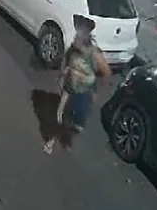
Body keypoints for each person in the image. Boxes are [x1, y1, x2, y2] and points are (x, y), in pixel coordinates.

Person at [43, 15, 111, 155]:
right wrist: (61, 76)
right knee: (60, 115)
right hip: (70, 88)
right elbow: (66, 62)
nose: (75, 39)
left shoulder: (94, 54)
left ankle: (67, 136)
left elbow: (106, 72)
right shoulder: (73, 49)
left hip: (84, 93)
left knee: (75, 120)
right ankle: (52, 140)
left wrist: (97, 91)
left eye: (79, 37)